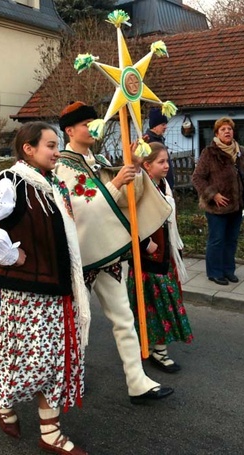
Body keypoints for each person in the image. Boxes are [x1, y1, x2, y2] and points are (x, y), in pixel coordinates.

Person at [0, 122, 89, 455]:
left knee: (55, 361)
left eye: (56, 144)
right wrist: (9, 253)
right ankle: (3, 401)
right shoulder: (11, 182)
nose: (56, 150)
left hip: (57, 289)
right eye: (50, 145)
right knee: (26, 361)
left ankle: (50, 432)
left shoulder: (51, 183)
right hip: (26, 291)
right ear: (28, 149)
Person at [55, 101, 174, 405]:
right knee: (79, 320)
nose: (93, 127)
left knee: (124, 318)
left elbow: (124, 202)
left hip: (109, 252)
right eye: (86, 124)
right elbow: (78, 210)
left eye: (95, 122)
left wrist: (130, 165)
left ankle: (137, 381)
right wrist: (116, 184)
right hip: (81, 257)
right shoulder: (62, 167)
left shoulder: (99, 161)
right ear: (70, 130)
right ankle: (70, 378)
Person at [127, 142, 193, 373]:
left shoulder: (163, 184)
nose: (167, 166)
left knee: (162, 304)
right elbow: (129, 217)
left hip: (166, 254)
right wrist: (145, 243)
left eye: (168, 161)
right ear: (147, 165)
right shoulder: (140, 187)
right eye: (161, 162)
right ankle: (154, 349)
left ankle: (154, 348)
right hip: (149, 258)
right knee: (154, 306)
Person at [192, 117, 244, 286]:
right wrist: (213, 195)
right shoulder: (209, 153)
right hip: (217, 207)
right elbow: (197, 178)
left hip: (236, 206)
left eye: (229, 129)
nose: (227, 131)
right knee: (217, 239)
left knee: (231, 240)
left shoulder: (240, 151)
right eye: (223, 129)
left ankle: (228, 271)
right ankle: (214, 272)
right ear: (217, 133)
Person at [142, 107, 175, 189]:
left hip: (164, 186)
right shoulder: (147, 141)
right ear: (154, 126)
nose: (165, 127)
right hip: (156, 187)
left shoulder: (159, 139)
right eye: (163, 124)